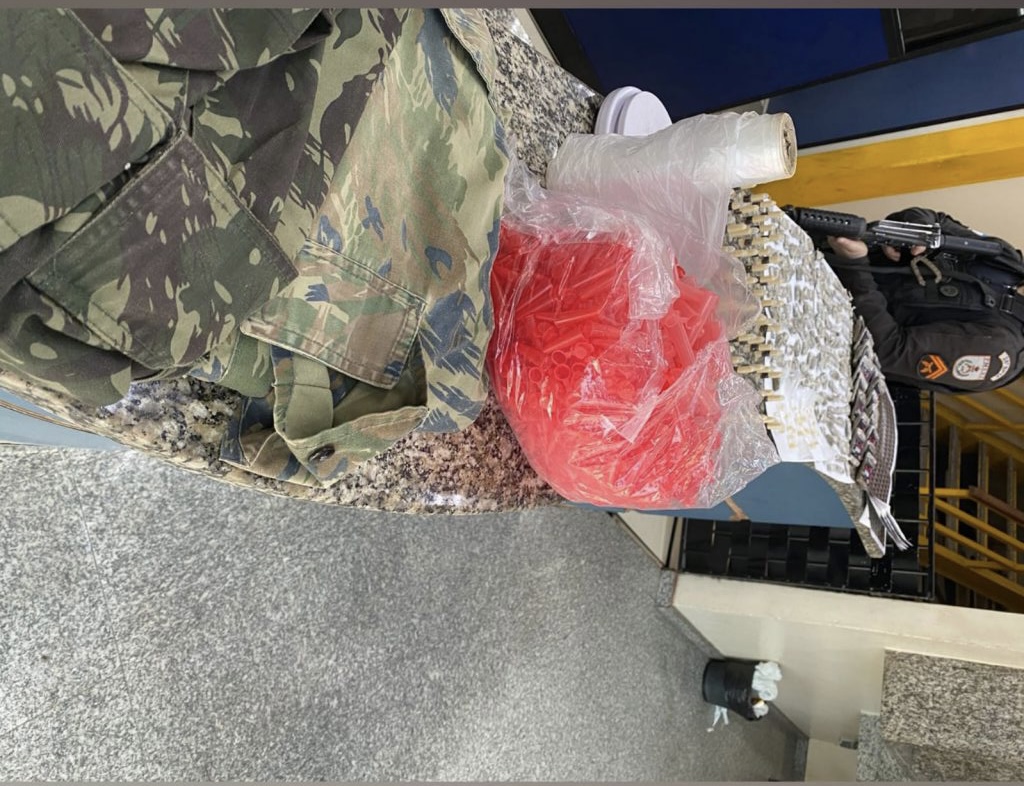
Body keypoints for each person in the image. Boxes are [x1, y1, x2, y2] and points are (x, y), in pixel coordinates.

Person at [824, 207, 1024, 393]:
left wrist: (855, 264)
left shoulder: (1000, 351)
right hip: (824, 258)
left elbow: (889, 350)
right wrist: (915, 232)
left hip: (824, 332)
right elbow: (939, 220)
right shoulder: (1009, 262)